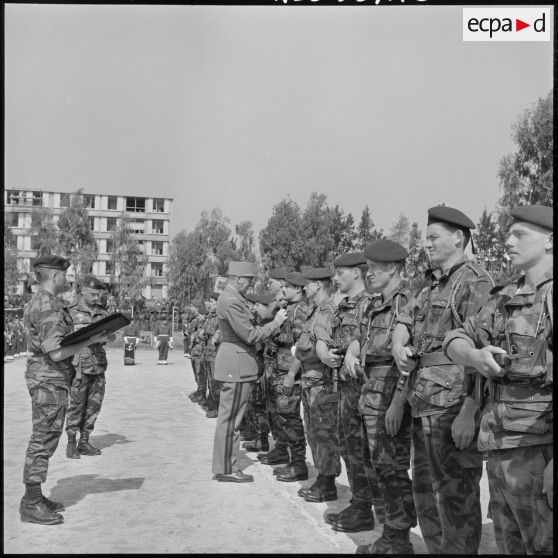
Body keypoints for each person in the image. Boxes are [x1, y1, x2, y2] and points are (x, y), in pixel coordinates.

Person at [444, 204, 553, 555]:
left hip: (540, 451)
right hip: (500, 445)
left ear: (550, 241)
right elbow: (454, 340)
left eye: (520, 234)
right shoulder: (504, 297)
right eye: (508, 233)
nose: (507, 241)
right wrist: (475, 357)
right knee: (509, 545)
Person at [390, 205, 494, 554]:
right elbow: (407, 322)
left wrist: (470, 409)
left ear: (458, 238)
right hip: (424, 405)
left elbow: (482, 351)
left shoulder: (476, 282)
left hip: (452, 408)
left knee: (456, 501)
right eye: (426, 237)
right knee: (427, 498)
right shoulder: (431, 284)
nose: (427, 244)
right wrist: (399, 345)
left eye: (434, 238)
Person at [21, 256, 108, 525]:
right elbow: (57, 352)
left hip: (51, 379)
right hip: (48, 379)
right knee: (42, 441)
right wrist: (90, 339)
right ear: (53, 277)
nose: (67, 279)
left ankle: (35, 497)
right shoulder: (46, 305)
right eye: (63, 275)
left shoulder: (48, 302)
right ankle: (31, 503)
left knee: (46, 438)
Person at [356, 240, 417, 554]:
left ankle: (398, 539)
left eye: (374, 269)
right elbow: (361, 340)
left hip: (390, 394)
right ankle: (391, 531)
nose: (369, 275)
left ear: (392, 268)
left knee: (392, 469)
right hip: (371, 393)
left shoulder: (405, 302)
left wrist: (397, 402)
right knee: (379, 467)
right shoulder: (373, 303)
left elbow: (409, 358)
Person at [323, 252, 384, 533]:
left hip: (363, 389)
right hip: (344, 388)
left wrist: (352, 348)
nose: (336, 279)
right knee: (349, 450)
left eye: (341, 273)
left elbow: (370, 340)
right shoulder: (340, 306)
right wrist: (330, 353)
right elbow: (329, 338)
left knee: (366, 453)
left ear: (357, 274)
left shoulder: (369, 304)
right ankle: (360, 505)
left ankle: (375, 510)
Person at [212, 261, 287, 483]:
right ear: (239, 278)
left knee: (230, 419)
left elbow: (254, 315)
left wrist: (271, 310)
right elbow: (251, 335)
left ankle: (225, 465)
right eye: (250, 280)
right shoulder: (231, 301)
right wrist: (276, 322)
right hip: (237, 365)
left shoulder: (233, 298)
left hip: (237, 363)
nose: (251, 284)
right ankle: (227, 468)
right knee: (230, 421)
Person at [292, 267, 341, 502]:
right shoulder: (314, 311)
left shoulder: (330, 310)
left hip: (323, 381)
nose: (305, 287)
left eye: (309, 283)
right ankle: (323, 475)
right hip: (309, 380)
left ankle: (328, 481)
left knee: (324, 434)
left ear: (319, 285)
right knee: (312, 432)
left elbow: (319, 346)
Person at [66, 275, 116, 458]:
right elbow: (64, 340)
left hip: (99, 365)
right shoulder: (70, 312)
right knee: (76, 406)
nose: (97, 298)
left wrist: (109, 336)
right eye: (93, 294)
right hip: (79, 366)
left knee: (94, 406)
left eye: (99, 294)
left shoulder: (102, 313)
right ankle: (71, 443)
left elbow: (112, 337)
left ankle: (84, 442)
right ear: (82, 290)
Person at [266, 271, 309, 482]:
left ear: (298, 289)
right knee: (283, 415)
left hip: (289, 370)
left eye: (287, 287)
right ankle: (293, 459)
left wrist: (292, 374)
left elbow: (301, 346)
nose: (283, 290)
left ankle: (299, 464)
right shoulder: (287, 309)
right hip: (278, 368)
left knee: (290, 417)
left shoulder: (301, 311)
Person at [242, 291, 276, 452]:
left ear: (266, 307)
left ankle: (262, 440)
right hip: (257, 370)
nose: (254, 308)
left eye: (257, 305)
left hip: (264, 372)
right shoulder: (259, 323)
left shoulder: (270, 325)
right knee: (255, 405)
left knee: (262, 407)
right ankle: (258, 438)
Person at [203, 293, 221, 419]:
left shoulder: (221, 317)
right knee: (210, 379)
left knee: (216, 381)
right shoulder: (210, 317)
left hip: (216, 353)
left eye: (212, 301)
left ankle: (217, 407)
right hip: (208, 352)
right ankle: (212, 402)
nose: (209, 304)